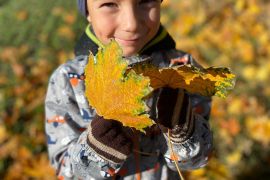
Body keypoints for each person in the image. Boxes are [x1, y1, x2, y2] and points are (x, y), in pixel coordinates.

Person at [45, 0, 213, 179]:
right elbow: (64, 171)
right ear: (87, 12)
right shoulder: (70, 80)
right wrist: (96, 152)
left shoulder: (182, 71)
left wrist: (184, 134)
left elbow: (199, 159)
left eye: (146, 1)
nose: (131, 23)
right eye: (110, 4)